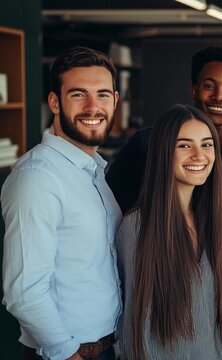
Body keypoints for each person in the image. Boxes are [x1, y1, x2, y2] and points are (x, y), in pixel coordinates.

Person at [2, 46, 122, 360]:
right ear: (55, 102)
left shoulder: (93, 170)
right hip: (67, 353)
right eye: (79, 94)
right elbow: (24, 292)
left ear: (116, 100)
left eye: (103, 95)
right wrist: (68, 354)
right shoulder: (38, 178)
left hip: (106, 347)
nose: (93, 107)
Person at [115, 104, 222, 359]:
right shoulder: (138, 226)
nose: (199, 155)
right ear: (163, 153)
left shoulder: (213, 221)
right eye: (184, 145)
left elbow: (212, 325)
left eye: (207, 144)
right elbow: (136, 330)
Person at [107, 45, 222, 212]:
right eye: (208, 86)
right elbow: (111, 205)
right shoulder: (146, 143)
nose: (218, 96)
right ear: (194, 89)